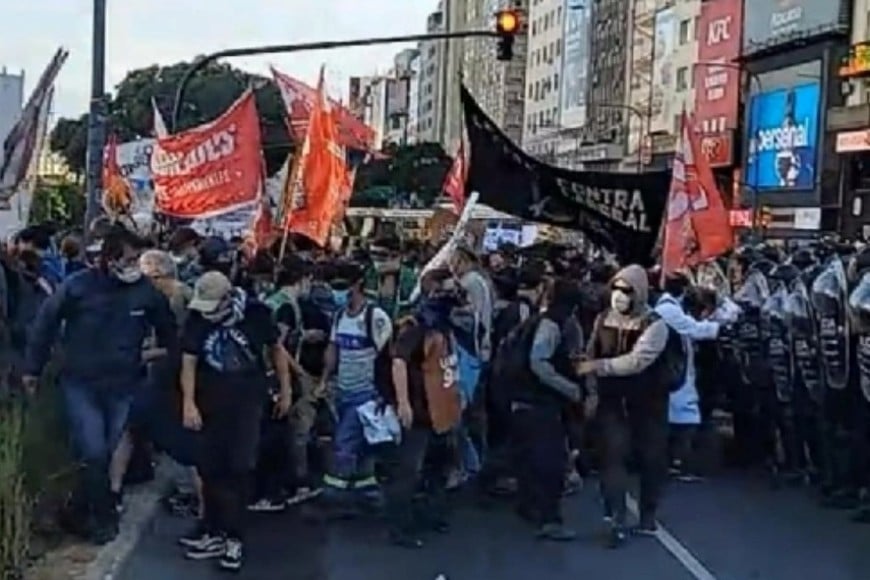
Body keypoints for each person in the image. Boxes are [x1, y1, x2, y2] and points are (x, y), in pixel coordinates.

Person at [24, 224, 178, 545]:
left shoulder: (145, 293)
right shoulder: (78, 287)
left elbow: (170, 334)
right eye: (129, 258)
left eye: (138, 258)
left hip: (123, 385)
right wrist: (33, 370)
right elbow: (45, 324)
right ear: (109, 259)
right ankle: (103, 520)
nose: (135, 265)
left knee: (103, 454)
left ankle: (80, 511)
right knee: (93, 450)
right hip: (81, 383)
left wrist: (150, 357)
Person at [178, 271, 291, 571]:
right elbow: (188, 360)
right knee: (210, 469)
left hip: (246, 404)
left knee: (238, 469)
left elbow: (276, 350)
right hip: (209, 403)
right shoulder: (197, 320)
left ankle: (234, 537)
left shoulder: (255, 314)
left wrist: (285, 389)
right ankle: (213, 529)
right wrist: (189, 402)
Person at [578, 264, 676, 549]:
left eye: (627, 291)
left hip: (648, 404)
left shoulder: (655, 325)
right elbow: (590, 351)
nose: (619, 296)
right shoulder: (602, 319)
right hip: (612, 402)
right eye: (616, 289)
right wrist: (591, 388)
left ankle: (647, 514)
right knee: (612, 458)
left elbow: (637, 361)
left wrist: (597, 367)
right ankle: (615, 518)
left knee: (652, 460)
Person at [385, 268, 461, 547]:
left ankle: (430, 514)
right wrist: (403, 402)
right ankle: (400, 527)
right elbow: (398, 361)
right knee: (409, 470)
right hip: (420, 408)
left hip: (441, 407)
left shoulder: (443, 326)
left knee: (438, 467)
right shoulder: (416, 326)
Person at [515, 279, 584, 541]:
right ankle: (549, 519)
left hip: (523, 400)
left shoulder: (538, 320)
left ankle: (529, 506)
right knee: (551, 463)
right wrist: (569, 389)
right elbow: (539, 362)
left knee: (530, 459)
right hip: (539, 402)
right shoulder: (550, 326)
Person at [320, 262, 393, 503]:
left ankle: (335, 492)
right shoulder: (340, 316)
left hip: (366, 393)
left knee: (344, 441)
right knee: (363, 442)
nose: (338, 292)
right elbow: (333, 349)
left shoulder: (375, 317)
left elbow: (389, 356)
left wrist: (385, 392)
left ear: (358, 285)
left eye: (343, 287)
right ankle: (366, 488)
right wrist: (324, 380)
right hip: (343, 390)